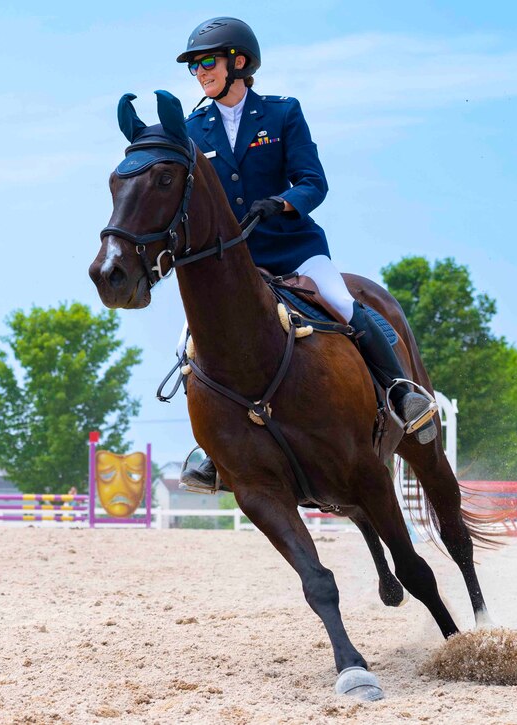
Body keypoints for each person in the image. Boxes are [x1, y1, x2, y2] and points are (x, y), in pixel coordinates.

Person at [175, 17, 438, 492]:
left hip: (295, 248)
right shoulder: (194, 129)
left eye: (206, 61)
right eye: (194, 66)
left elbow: (314, 181)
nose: (200, 71)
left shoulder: (281, 113)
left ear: (238, 62)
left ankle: (401, 392)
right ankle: (212, 450)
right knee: (191, 342)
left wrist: (282, 202)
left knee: (342, 303)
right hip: (239, 265)